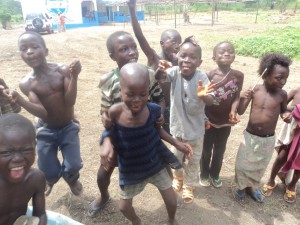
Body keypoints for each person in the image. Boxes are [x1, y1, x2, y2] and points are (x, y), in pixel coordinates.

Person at [88, 30, 170, 216]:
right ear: (113, 56)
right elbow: (104, 109)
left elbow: (159, 98)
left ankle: (170, 191)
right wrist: (105, 118)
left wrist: (161, 113)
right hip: (122, 137)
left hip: (146, 133)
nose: (132, 52)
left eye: (133, 47)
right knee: (105, 171)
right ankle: (104, 195)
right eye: (124, 49)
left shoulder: (147, 74)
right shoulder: (109, 81)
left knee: (163, 163)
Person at [101, 63, 192, 225]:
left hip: (154, 165)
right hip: (131, 169)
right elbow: (108, 132)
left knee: (171, 201)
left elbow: (159, 132)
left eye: (143, 94)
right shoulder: (115, 111)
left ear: (148, 90)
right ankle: (136, 221)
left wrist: (177, 143)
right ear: (121, 91)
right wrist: (107, 143)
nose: (137, 100)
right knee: (124, 207)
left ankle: (171, 219)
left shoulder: (153, 110)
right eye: (130, 94)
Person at [3, 31, 83, 197]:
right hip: (46, 130)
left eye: (34, 46)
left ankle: (72, 179)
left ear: (46, 51)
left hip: (68, 126)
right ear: (21, 55)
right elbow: (42, 112)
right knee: (47, 168)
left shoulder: (62, 70)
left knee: (73, 164)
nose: (29, 51)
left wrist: (74, 76)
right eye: (23, 49)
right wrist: (19, 99)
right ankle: (51, 179)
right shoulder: (27, 83)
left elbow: (70, 102)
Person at [155, 36, 215, 204]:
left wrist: (205, 96)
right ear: (177, 57)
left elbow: (211, 99)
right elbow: (159, 77)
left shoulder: (202, 77)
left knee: (194, 159)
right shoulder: (174, 72)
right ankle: (178, 178)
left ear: (200, 61)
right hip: (177, 129)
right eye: (183, 56)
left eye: (193, 57)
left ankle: (189, 184)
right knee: (176, 157)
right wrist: (160, 68)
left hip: (195, 131)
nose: (187, 60)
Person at [234, 53, 292, 203]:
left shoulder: (282, 94)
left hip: (267, 139)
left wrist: (286, 116)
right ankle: (241, 187)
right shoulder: (255, 90)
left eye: (285, 78)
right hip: (250, 136)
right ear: (265, 74)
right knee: (242, 164)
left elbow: (284, 111)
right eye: (279, 77)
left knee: (259, 166)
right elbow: (240, 111)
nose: (283, 81)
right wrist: (243, 97)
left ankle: (251, 187)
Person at [127, 0, 182, 133]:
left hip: (173, 107)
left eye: (179, 43)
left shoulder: (178, 62)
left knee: (175, 136)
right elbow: (140, 36)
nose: (177, 46)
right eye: (173, 41)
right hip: (154, 104)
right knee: (153, 135)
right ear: (162, 43)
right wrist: (132, 10)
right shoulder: (154, 58)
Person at [199, 41, 244, 188]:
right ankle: (204, 174)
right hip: (209, 120)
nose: (226, 53)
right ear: (214, 57)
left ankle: (215, 174)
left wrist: (233, 111)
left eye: (230, 51)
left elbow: (236, 96)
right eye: (221, 52)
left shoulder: (238, 75)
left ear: (234, 56)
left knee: (220, 149)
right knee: (206, 149)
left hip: (226, 120)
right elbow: (204, 98)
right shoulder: (208, 75)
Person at [0, 113, 47, 225]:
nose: (18, 159)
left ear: (35, 147)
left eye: (26, 150)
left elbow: (40, 214)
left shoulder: (36, 179)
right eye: (7, 152)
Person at [261, 87, 300, 203]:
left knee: (299, 163)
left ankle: (292, 185)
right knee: (281, 156)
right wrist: (287, 113)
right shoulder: (297, 91)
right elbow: (282, 106)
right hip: (291, 131)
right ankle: (271, 180)